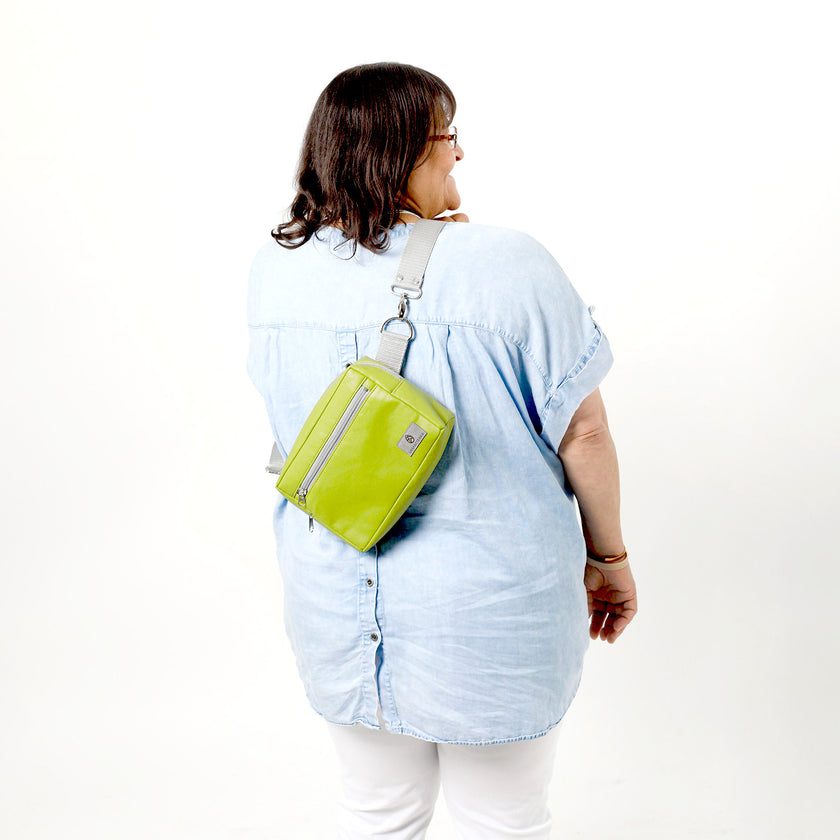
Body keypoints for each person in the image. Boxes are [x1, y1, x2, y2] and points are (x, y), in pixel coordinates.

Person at [247, 62, 637, 840]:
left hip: (338, 600)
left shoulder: (277, 270)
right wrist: (610, 559)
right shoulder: (508, 263)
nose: (459, 156)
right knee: (505, 821)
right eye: (447, 137)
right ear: (405, 152)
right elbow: (584, 434)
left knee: (376, 814)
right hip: (489, 609)